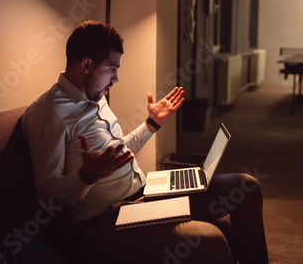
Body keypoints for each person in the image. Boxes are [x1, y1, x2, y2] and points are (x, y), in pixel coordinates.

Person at [22, 20, 269, 263]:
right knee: (210, 239)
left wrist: (151, 124)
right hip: (105, 222)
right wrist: (85, 177)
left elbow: (119, 153)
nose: (116, 78)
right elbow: (46, 196)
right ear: (87, 65)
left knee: (246, 186)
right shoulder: (49, 113)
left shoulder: (96, 95)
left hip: (144, 193)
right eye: (112, 68)